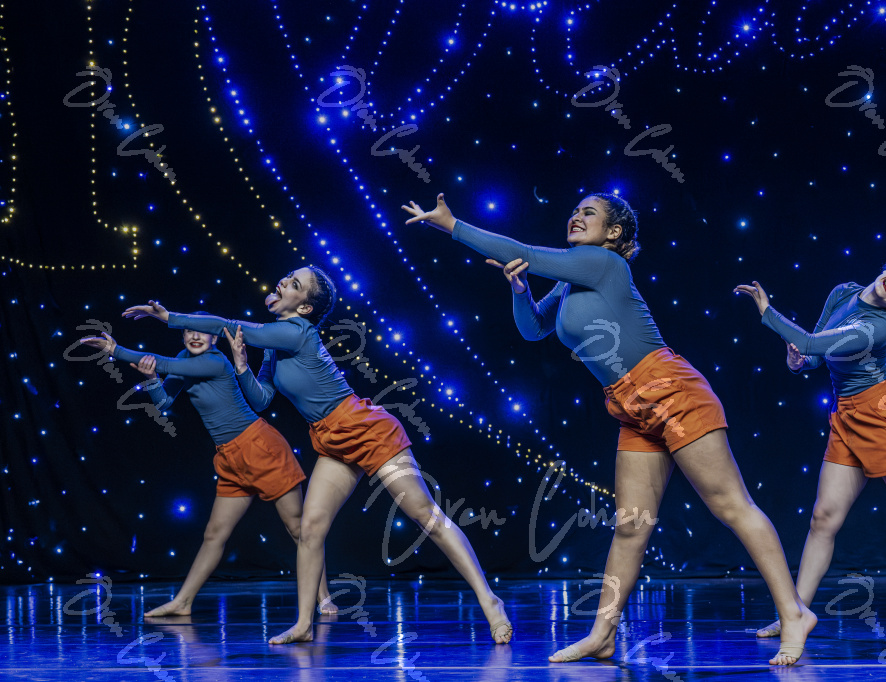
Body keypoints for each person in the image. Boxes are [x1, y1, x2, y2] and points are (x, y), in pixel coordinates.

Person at [403, 193, 816, 665]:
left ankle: (794, 613)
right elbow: (534, 329)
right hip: (629, 404)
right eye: (574, 210)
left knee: (732, 506)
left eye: (589, 213)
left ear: (614, 233)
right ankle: (602, 635)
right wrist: (519, 291)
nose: (575, 216)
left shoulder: (602, 264)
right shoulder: (570, 281)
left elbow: (525, 251)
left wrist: (452, 225)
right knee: (631, 526)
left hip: (671, 391)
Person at [122, 266, 512, 645]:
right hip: (331, 440)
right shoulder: (274, 345)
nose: (283, 282)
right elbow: (262, 399)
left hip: (366, 429)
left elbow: (228, 324)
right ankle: (304, 624)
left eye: (294, 284)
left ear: (305, 307)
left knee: (425, 515)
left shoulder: (296, 331)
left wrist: (168, 318)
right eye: (287, 277)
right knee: (310, 530)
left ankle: (489, 600)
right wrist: (242, 367)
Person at [734, 261, 886, 639]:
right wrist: (797, 363)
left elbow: (810, 342)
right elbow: (813, 353)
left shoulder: (876, 327)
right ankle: (794, 614)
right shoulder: (843, 292)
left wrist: (767, 311)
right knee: (823, 519)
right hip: (847, 414)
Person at [78, 323, 337, 617]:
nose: (194, 336)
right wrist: (151, 379)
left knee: (298, 529)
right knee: (214, 534)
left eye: (200, 331)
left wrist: (115, 350)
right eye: (188, 332)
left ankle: (323, 597)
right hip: (229, 457)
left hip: (260, 447)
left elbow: (163, 362)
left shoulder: (214, 361)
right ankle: (183, 602)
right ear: (182, 336)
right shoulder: (184, 360)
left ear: (213, 337)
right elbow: (162, 403)